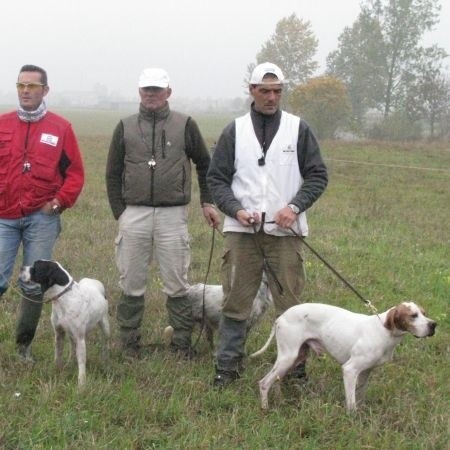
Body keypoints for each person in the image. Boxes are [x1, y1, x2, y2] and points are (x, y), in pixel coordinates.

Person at [207, 62, 328, 387]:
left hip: (285, 234)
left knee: (290, 304)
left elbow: (318, 176)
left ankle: (295, 372)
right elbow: (216, 179)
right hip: (242, 233)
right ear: (252, 91)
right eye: (265, 91)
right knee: (235, 300)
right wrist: (236, 209)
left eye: (277, 91)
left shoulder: (298, 129)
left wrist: (294, 206)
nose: (272, 97)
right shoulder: (234, 130)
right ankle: (227, 369)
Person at [106, 67, 220, 359]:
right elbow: (112, 172)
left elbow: (205, 165)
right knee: (130, 281)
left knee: (177, 282)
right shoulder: (125, 126)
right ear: (139, 92)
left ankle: (182, 345)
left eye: (157, 89)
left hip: (173, 215)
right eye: (146, 90)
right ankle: (129, 345)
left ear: (168, 92)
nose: (151, 95)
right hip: (134, 213)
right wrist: (121, 212)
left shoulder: (186, 124)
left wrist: (207, 201)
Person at [0, 64, 85, 361]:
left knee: (33, 282)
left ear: (45, 90)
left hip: (41, 217)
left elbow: (74, 173)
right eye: (21, 85)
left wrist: (60, 201)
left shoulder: (61, 128)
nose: (25, 90)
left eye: (32, 86)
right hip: (4, 215)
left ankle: (23, 347)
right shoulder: (3, 124)